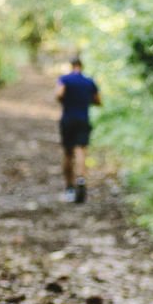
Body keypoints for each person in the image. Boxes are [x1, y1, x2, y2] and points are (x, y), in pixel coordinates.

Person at [56, 54, 101, 203]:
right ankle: (81, 179)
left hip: (68, 119)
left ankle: (69, 187)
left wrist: (65, 100)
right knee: (81, 149)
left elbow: (59, 94)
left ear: (71, 65)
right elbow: (98, 100)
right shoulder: (89, 82)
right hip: (83, 119)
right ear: (81, 66)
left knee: (68, 153)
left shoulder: (65, 79)